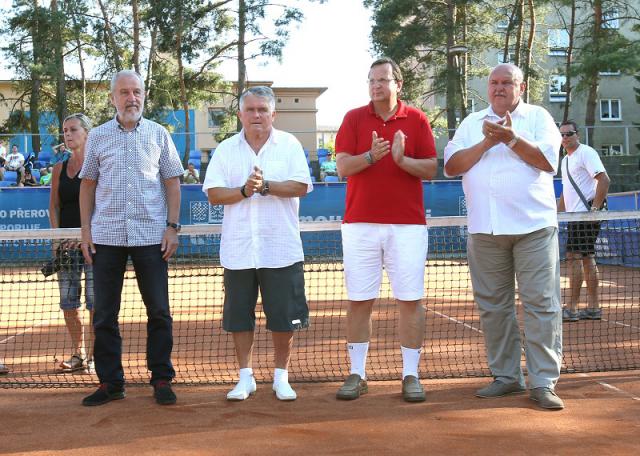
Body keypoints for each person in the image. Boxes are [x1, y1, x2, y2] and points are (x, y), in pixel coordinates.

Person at [444, 63, 564, 410]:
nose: (499, 88)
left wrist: (510, 138)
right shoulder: (471, 123)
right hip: (485, 230)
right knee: (494, 309)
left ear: (520, 87)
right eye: (494, 82)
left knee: (541, 305)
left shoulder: (539, 118)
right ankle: (507, 377)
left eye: (506, 83)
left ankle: (543, 382)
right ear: (488, 88)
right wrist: (486, 140)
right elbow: (452, 166)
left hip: (534, 229)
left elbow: (546, 161)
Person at [334, 57, 437, 402]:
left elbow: (432, 168)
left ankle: (410, 375)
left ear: (398, 84)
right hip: (360, 225)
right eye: (371, 80)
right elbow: (343, 167)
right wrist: (371, 157)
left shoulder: (418, 119)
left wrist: (402, 161)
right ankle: (357, 374)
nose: (376, 85)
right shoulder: (353, 118)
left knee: (410, 300)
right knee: (359, 300)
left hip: (407, 227)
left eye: (383, 79)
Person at [79, 70, 184, 407]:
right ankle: (111, 383)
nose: (131, 98)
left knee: (159, 311)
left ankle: (161, 378)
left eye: (136, 91)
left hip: (151, 236)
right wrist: (85, 230)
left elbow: (172, 182)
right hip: (106, 236)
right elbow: (88, 184)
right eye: (124, 92)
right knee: (104, 314)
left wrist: (172, 227)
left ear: (143, 95)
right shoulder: (96, 136)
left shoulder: (158, 134)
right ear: (113, 98)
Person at [202, 86, 312, 402]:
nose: (256, 115)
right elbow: (213, 194)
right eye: (250, 110)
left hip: (281, 249)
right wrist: (245, 191)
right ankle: (245, 378)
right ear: (240, 115)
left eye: (262, 110)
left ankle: (281, 377)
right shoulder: (225, 149)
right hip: (238, 252)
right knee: (239, 317)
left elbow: (302, 186)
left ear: (273, 114)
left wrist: (266, 187)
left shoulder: (289, 145)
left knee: (283, 317)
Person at [49, 113, 95, 374]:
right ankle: (78, 354)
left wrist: (87, 236)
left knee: (95, 302)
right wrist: (57, 237)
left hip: (94, 245)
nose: (67, 134)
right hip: (65, 246)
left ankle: (93, 356)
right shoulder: (58, 168)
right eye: (65, 130)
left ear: (86, 133)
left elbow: (102, 206)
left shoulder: (97, 165)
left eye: (73, 129)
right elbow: (54, 206)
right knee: (68, 302)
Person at [557, 121, 610, 322]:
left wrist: (593, 211)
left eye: (569, 133)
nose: (565, 137)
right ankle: (594, 307)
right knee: (586, 257)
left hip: (585, 215)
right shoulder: (565, 160)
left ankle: (572, 307)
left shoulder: (586, 153)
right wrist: (557, 214)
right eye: (562, 134)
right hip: (575, 216)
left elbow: (604, 180)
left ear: (577, 134)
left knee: (575, 257)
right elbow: (566, 191)